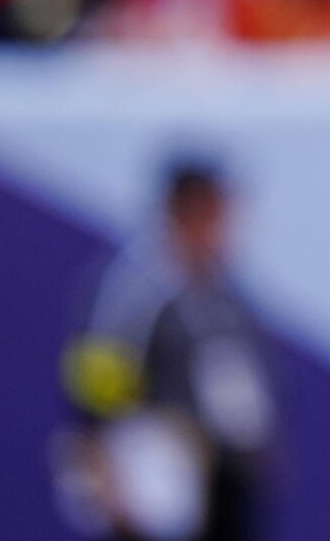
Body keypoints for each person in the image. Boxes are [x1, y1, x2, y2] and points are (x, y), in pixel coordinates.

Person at [60, 161, 276, 541]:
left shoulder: (226, 293)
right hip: (165, 491)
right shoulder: (140, 289)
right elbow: (94, 392)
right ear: (185, 212)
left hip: (228, 484)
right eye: (214, 214)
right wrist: (106, 477)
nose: (225, 229)